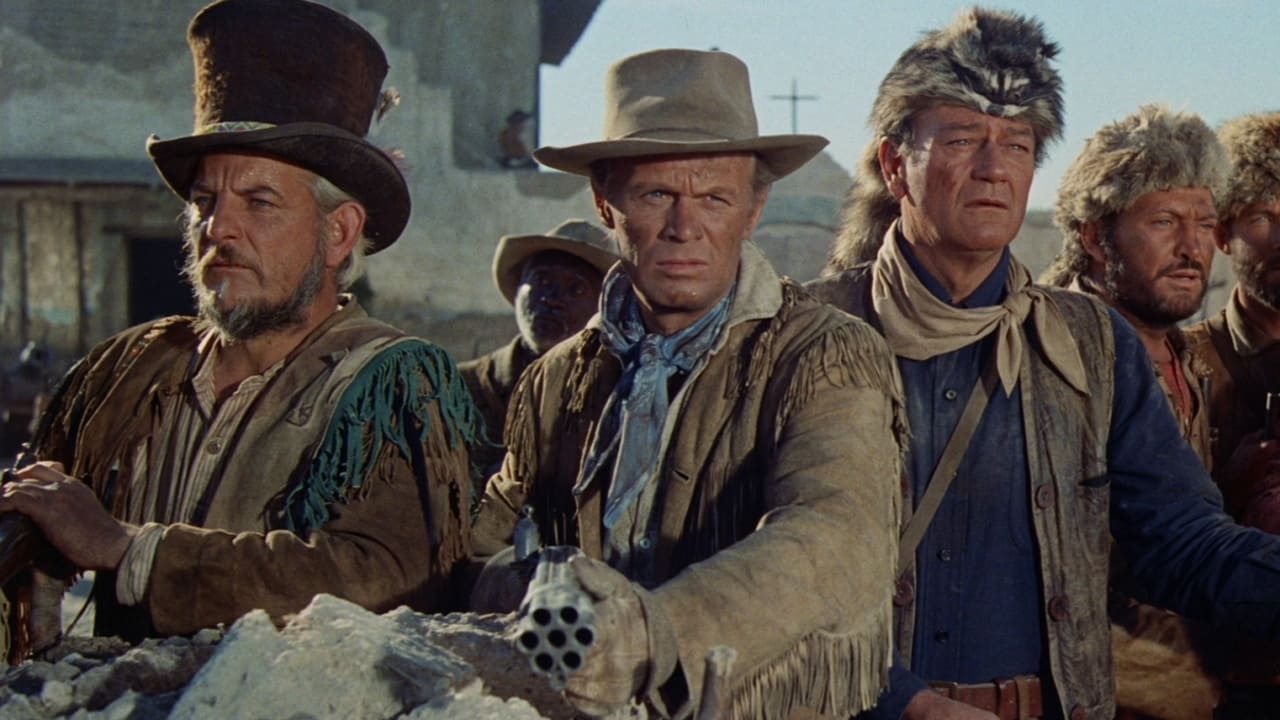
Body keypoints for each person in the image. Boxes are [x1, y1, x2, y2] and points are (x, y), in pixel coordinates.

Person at [807, 8, 1280, 720]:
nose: (993, 168)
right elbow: (764, 570)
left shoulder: (1091, 345)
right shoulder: (807, 335)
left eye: (1018, 144)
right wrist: (905, 702)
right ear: (894, 164)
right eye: (962, 139)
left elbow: (1180, 541)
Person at [0, 0, 478, 651]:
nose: (218, 228)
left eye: (258, 202)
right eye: (205, 202)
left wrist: (129, 549)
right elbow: (46, 509)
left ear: (339, 233)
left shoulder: (389, 384)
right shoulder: (132, 368)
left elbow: (381, 581)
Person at [472, 48, 905, 719]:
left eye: (714, 198)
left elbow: (834, 537)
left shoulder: (823, 354)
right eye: (655, 195)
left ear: (753, 210)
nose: (684, 228)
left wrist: (654, 633)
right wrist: (537, 583)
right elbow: (482, 547)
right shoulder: (557, 381)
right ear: (605, 203)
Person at [1041, 104, 1228, 720]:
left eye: (1205, 223)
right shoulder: (1051, 358)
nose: (1192, 247)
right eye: (1164, 221)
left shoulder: (1189, 358)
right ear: (1096, 238)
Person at [1183, 111, 1280, 719]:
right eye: (1263, 218)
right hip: (1211, 684)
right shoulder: (1179, 361)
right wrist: (1226, 487)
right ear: (1223, 234)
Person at [458, 219, 617, 485]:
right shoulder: (459, 387)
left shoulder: (615, 398)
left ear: (604, 308)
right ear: (519, 288)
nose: (552, 299)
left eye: (576, 289)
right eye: (542, 281)